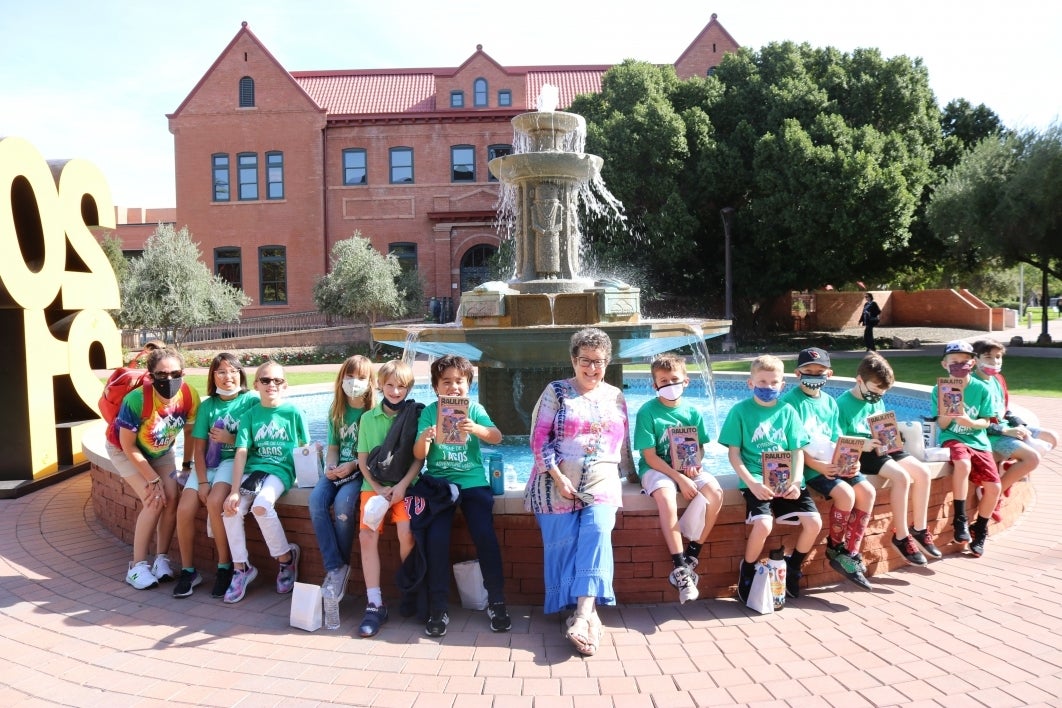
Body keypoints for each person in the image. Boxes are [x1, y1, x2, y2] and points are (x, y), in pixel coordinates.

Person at [526, 327, 633, 657]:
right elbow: (538, 439)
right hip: (554, 483)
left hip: (602, 481)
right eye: (585, 360)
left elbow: (623, 444)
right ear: (574, 361)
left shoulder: (616, 395)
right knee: (567, 541)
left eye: (599, 362)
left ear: (607, 362)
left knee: (598, 529)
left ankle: (583, 614)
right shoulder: (556, 392)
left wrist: (635, 476)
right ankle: (588, 617)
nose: (592, 368)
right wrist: (558, 477)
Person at [412, 355, 510, 636]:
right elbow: (419, 455)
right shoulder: (430, 413)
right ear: (435, 387)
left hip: (472, 482)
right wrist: (425, 438)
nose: (453, 387)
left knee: (485, 537)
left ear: (468, 384)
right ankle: (438, 606)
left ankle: (497, 600)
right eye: (447, 382)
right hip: (439, 485)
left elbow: (497, 436)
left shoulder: (474, 409)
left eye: (459, 381)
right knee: (436, 540)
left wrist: (475, 428)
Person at [719, 355, 820, 601]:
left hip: (786, 479)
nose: (768, 387)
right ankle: (749, 568)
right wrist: (751, 482)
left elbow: (797, 451)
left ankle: (794, 566)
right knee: (764, 523)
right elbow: (734, 454)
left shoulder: (787, 411)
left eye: (774, 382)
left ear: (782, 384)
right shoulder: (739, 412)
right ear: (751, 383)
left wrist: (796, 481)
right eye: (762, 381)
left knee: (814, 522)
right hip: (755, 478)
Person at [632, 352, 723, 604]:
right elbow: (649, 456)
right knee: (667, 496)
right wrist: (679, 479)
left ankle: (693, 554)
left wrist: (695, 464)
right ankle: (680, 567)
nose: (669, 384)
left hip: (686, 468)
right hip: (656, 469)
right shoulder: (647, 412)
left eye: (674, 379)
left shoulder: (693, 411)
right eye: (663, 380)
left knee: (715, 492)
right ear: (655, 385)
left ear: (686, 381)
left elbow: (700, 447)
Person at [107, 348, 200, 589]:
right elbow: (128, 446)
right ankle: (137, 567)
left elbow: (190, 432)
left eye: (175, 373)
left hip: (161, 451)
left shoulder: (189, 395)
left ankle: (161, 559)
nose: (168, 379)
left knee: (172, 497)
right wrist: (152, 479)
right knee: (154, 499)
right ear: (151, 375)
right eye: (161, 374)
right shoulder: (136, 400)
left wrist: (187, 465)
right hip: (126, 451)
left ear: (183, 373)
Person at [781, 348, 874, 590]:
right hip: (810, 467)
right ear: (797, 374)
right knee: (846, 494)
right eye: (808, 372)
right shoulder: (789, 403)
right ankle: (835, 548)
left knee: (868, 491)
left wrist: (852, 460)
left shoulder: (830, 402)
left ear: (829, 374)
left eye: (819, 372)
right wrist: (818, 465)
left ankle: (851, 551)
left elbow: (836, 438)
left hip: (834, 462)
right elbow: (793, 445)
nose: (813, 376)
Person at [836, 352, 940, 565]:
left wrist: (890, 436)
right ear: (859, 381)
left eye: (883, 392)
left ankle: (919, 529)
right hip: (862, 452)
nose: (878, 396)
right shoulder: (842, 404)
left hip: (881, 445)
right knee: (900, 477)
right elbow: (837, 439)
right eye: (875, 390)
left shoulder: (876, 400)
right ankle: (901, 536)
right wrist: (863, 444)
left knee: (923, 472)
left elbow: (880, 424)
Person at [174, 353, 257, 598]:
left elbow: (257, 441)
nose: (227, 377)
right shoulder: (208, 406)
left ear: (240, 374)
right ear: (213, 376)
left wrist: (230, 439)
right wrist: (200, 481)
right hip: (207, 465)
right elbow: (198, 449)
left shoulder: (250, 401)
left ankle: (224, 566)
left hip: (233, 461)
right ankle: (188, 570)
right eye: (221, 372)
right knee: (184, 509)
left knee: (214, 502)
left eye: (232, 371)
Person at [221, 361, 305, 602]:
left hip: (280, 471)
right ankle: (241, 568)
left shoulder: (294, 413)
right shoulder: (250, 415)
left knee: (261, 506)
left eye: (277, 380)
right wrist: (234, 491)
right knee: (230, 511)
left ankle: (286, 559)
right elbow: (241, 452)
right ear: (256, 384)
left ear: (285, 385)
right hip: (254, 472)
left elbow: (306, 448)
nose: (271, 385)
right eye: (266, 380)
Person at [355, 359, 421, 638]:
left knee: (407, 533)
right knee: (367, 535)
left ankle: (409, 591)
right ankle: (374, 602)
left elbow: (419, 459)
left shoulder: (415, 415)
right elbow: (361, 461)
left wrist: (403, 485)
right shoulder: (368, 419)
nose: (395, 391)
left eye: (401, 386)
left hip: (406, 484)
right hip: (375, 485)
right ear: (380, 385)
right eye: (390, 385)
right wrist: (378, 488)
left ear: (409, 388)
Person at [309, 355, 374, 606]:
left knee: (345, 504)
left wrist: (353, 465)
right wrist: (331, 466)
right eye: (350, 376)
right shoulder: (336, 409)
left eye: (361, 378)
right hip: (340, 469)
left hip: (361, 470)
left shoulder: (372, 412)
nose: (354, 382)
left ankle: (339, 569)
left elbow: (373, 455)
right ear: (341, 378)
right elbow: (333, 446)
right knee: (316, 501)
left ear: (370, 382)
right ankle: (336, 566)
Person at [933, 341, 1001, 557]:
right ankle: (960, 520)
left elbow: (987, 421)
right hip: (953, 437)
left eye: (964, 362)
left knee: (994, 487)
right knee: (962, 464)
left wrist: (970, 422)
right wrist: (950, 410)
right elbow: (942, 425)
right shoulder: (940, 388)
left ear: (972, 363)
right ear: (945, 364)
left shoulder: (981, 388)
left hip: (979, 441)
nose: (959, 365)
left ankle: (980, 528)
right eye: (954, 362)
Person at [972, 339, 1057, 511]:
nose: (994, 361)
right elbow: (973, 422)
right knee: (1032, 458)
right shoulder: (972, 385)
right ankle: (991, 494)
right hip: (989, 434)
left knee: (1051, 438)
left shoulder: (998, 379)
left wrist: (1021, 425)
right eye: (988, 357)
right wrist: (1006, 430)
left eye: (998, 357)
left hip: (1005, 427)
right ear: (975, 359)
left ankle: (1013, 467)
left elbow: (1004, 410)